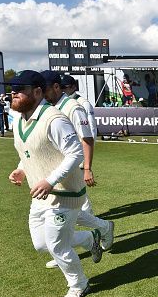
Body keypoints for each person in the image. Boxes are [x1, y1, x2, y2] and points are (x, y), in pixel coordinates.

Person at [7, 70, 103, 297]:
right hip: (40, 195)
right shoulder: (19, 119)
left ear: (37, 92)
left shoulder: (54, 119)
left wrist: (50, 180)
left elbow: (75, 153)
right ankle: (90, 239)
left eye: (20, 90)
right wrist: (21, 168)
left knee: (57, 244)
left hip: (64, 193)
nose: (14, 94)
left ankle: (79, 284)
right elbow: (31, 151)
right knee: (41, 245)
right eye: (12, 90)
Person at [41, 71, 115, 270]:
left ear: (58, 88)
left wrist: (87, 168)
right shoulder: (50, 108)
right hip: (57, 167)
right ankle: (100, 229)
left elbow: (87, 137)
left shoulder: (73, 107)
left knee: (75, 209)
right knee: (68, 211)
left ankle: (99, 231)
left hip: (73, 166)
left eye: (46, 88)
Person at [61, 75, 97, 140]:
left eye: (64, 87)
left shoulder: (84, 103)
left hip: (80, 146)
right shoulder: (60, 103)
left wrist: (88, 148)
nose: (62, 90)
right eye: (61, 87)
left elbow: (92, 128)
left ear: (74, 87)